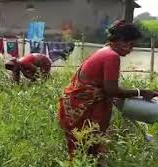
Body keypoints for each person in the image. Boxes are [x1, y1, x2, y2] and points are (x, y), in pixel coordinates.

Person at [58, 20, 158, 159]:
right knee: (87, 152)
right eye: (130, 44)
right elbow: (111, 90)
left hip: (75, 107)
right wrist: (141, 92)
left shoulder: (105, 51)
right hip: (82, 109)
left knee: (84, 151)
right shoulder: (111, 56)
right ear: (120, 40)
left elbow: (105, 88)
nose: (131, 49)